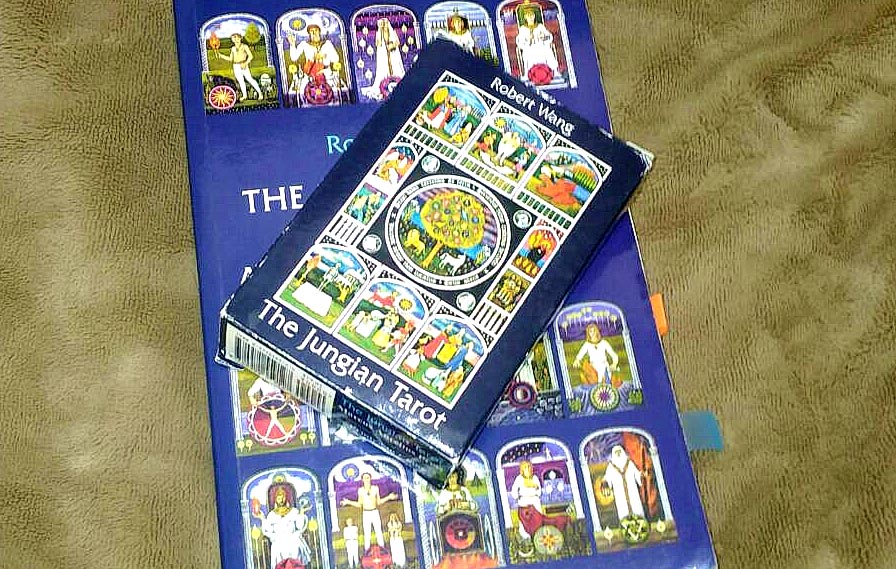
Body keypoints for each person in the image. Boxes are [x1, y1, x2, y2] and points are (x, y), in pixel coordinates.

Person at [340, 472, 398, 551]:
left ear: (370, 478)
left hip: (374, 512)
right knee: (367, 533)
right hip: (366, 513)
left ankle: (382, 550)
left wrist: (389, 497)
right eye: (365, 478)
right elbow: (359, 504)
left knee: (378, 531)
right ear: (362, 480)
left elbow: (379, 502)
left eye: (368, 477)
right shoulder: (360, 490)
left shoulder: (375, 488)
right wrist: (348, 502)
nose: (366, 479)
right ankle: (367, 551)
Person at [286, 25, 342, 104]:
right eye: (311, 31)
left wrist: (324, 55)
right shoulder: (304, 44)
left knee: (334, 93)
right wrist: (292, 44)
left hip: (325, 73)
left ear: (319, 32)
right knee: (302, 92)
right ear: (309, 34)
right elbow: (294, 57)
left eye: (316, 30)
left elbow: (336, 59)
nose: (314, 33)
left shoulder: (327, 44)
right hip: (309, 75)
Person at [260, 487, 313, 566]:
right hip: (278, 540)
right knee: (278, 549)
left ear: (286, 498)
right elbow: (269, 530)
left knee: (296, 547)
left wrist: (302, 512)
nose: (281, 500)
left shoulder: (293, 511)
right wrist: (262, 518)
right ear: (275, 499)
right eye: (279, 498)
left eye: (283, 498)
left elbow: (299, 526)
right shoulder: (272, 515)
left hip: (292, 539)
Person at [602, 445, 645, 520]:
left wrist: (641, 475)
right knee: (623, 509)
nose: (618, 454)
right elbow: (607, 478)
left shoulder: (629, 463)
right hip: (620, 494)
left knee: (636, 506)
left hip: (632, 491)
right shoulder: (611, 467)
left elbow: (637, 475)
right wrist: (605, 482)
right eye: (616, 452)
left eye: (619, 451)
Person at [217, 33, 264, 101]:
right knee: (240, 81)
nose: (236, 39)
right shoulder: (233, 48)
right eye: (234, 38)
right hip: (235, 66)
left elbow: (251, 56)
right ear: (232, 40)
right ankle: (244, 96)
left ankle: (260, 93)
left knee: (249, 79)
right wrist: (221, 56)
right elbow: (231, 59)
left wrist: (245, 63)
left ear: (240, 38)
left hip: (243, 65)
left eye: (237, 38)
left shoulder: (244, 46)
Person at [516, 8, 559, 80]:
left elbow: (549, 36)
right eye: (528, 16)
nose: (530, 18)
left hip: (541, 46)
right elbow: (520, 41)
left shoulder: (540, 26)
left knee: (548, 50)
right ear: (526, 18)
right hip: (529, 47)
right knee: (527, 53)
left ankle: (555, 71)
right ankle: (528, 74)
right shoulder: (523, 29)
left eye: (532, 15)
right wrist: (528, 40)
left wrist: (543, 37)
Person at [368, 18, 405, 99]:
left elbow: (397, 42)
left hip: (392, 53)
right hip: (384, 54)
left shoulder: (393, 32)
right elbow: (378, 44)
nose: (384, 25)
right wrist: (380, 32)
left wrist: (391, 46)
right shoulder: (378, 33)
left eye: (385, 23)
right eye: (383, 24)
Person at [509, 460, 542, 539]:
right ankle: (525, 536)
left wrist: (536, 488)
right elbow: (514, 491)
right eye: (525, 467)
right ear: (522, 469)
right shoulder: (519, 479)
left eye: (529, 467)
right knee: (525, 520)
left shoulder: (535, 478)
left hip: (534, 501)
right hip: (524, 501)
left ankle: (537, 535)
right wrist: (517, 497)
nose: (528, 469)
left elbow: (539, 491)